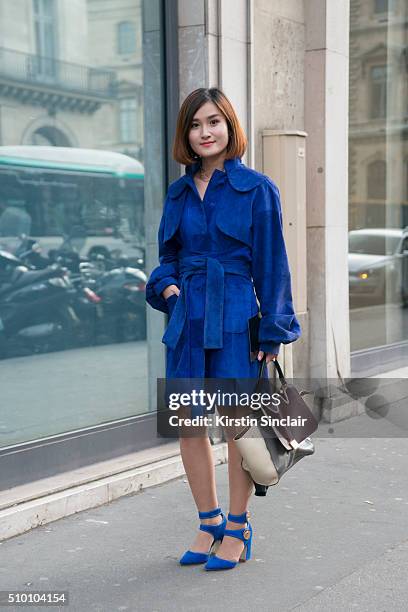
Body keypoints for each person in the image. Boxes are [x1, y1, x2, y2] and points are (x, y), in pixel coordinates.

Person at [146, 87, 301, 571]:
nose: (204, 132)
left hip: (237, 317)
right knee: (189, 425)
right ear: (185, 135)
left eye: (213, 122)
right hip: (188, 319)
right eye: (195, 125)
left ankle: (238, 525)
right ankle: (208, 520)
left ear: (229, 126)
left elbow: (274, 266)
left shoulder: (257, 188)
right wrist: (169, 289)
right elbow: (165, 259)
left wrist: (272, 333)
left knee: (238, 427)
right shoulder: (177, 192)